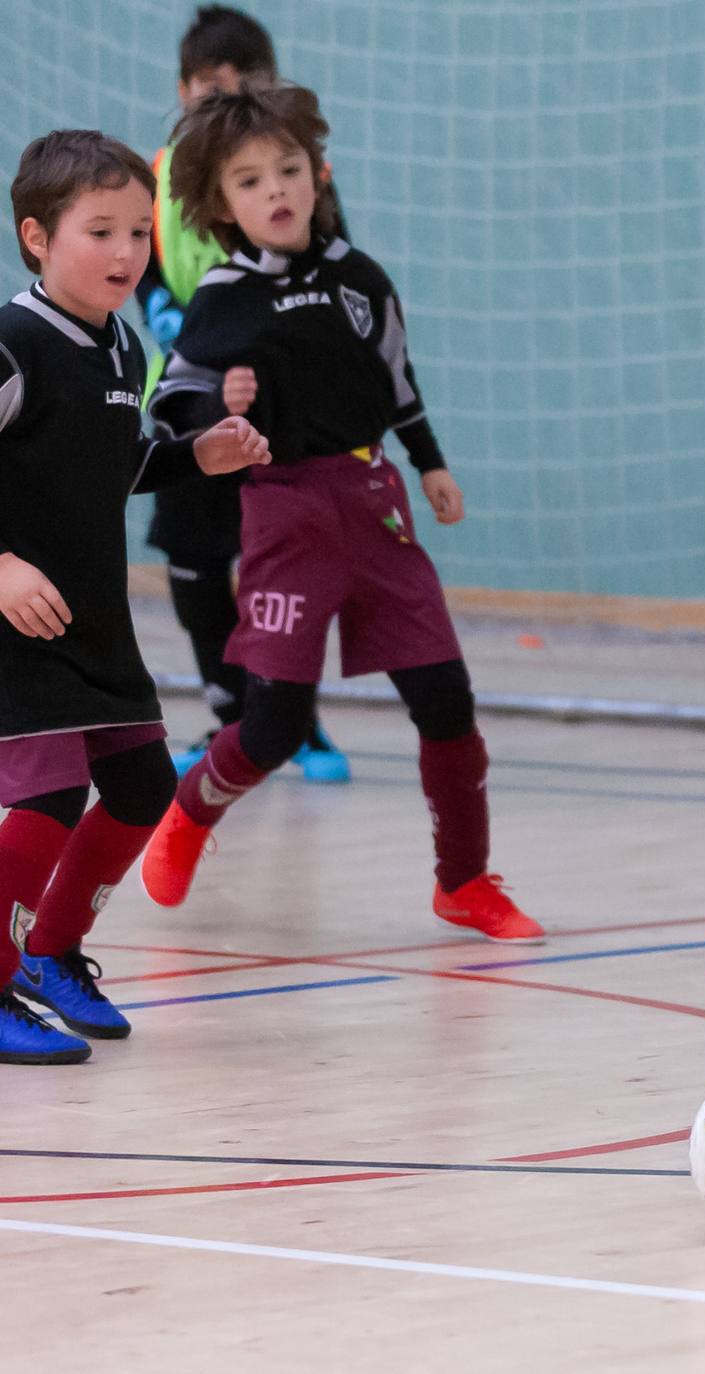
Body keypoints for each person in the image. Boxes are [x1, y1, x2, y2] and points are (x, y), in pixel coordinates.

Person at [139, 84, 543, 945]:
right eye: (251, 181)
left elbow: (398, 384)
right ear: (221, 204)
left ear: (318, 175)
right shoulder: (219, 297)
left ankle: (464, 881)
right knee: (275, 726)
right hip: (286, 517)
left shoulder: (362, 278)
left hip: (375, 505)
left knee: (446, 701)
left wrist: (430, 464)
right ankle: (189, 813)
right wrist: (222, 408)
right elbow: (173, 403)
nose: (276, 190)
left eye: (289, 170)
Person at [0, 130, 269, 1063]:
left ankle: (51, 953)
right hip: (15, 621)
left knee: (144, 782)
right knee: (49, 793)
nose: (126, 254)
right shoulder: (10, 344)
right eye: (100, 231)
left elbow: (111, 467)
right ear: (36, 236)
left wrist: (198, 455)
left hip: (95, 621)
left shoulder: (120, 348)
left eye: (139, 233)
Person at [139, 5, 349, 783]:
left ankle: (297, 721)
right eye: (206, 86)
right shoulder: (155, 177)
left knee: (282, 566)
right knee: (193, 555)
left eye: (241, 84)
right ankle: (232, 711)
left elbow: (334, 273)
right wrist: (169, 318)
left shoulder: (296, 175)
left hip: (281, 403)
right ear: (183, 87)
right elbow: (147, 270)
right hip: (192, 398)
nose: (221, 99)